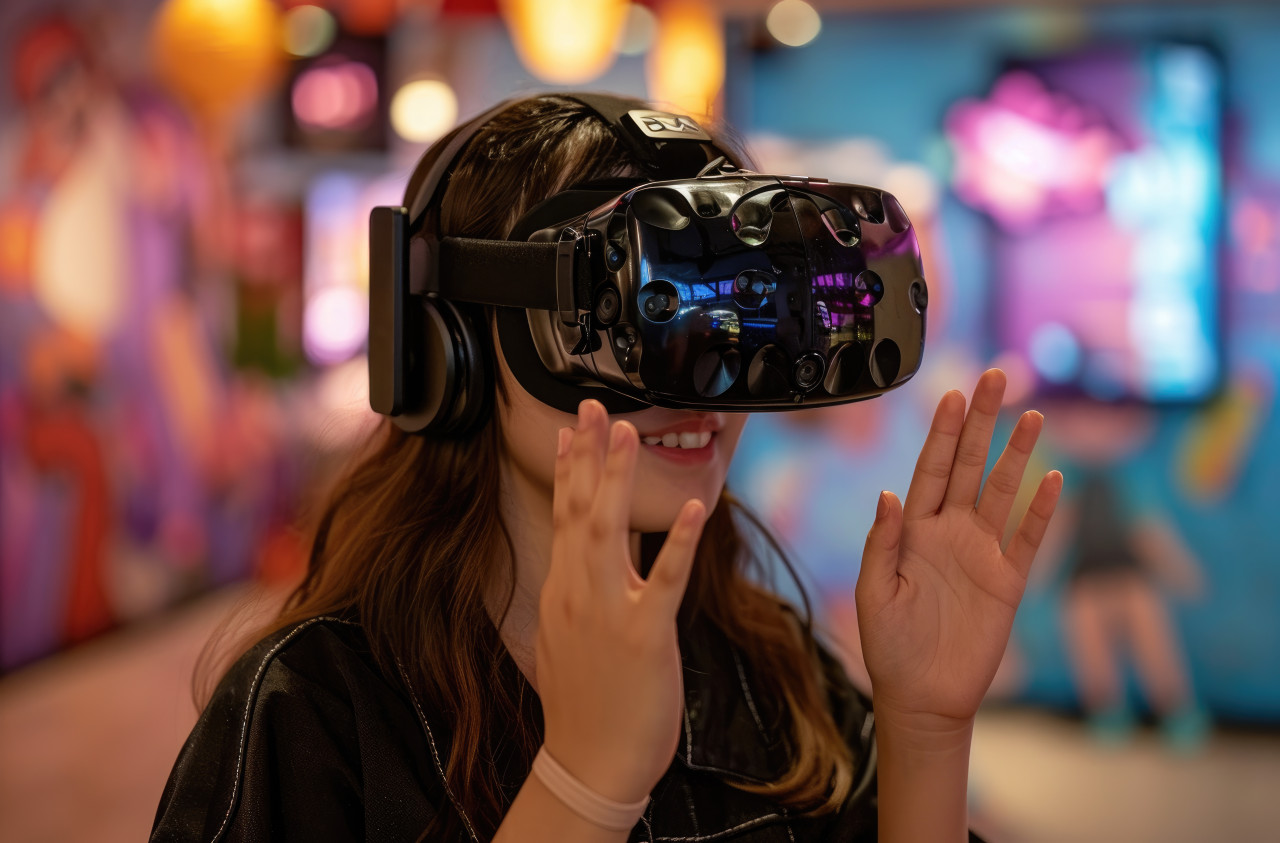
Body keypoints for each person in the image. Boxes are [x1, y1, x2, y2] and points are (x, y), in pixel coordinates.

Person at [151, 94, 1062, 842]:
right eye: (631, 314)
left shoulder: (766, 669)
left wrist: (925, 732)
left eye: (739, 320)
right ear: (448, 345)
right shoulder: (311, 712)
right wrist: (583, 788)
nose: (701, 383)